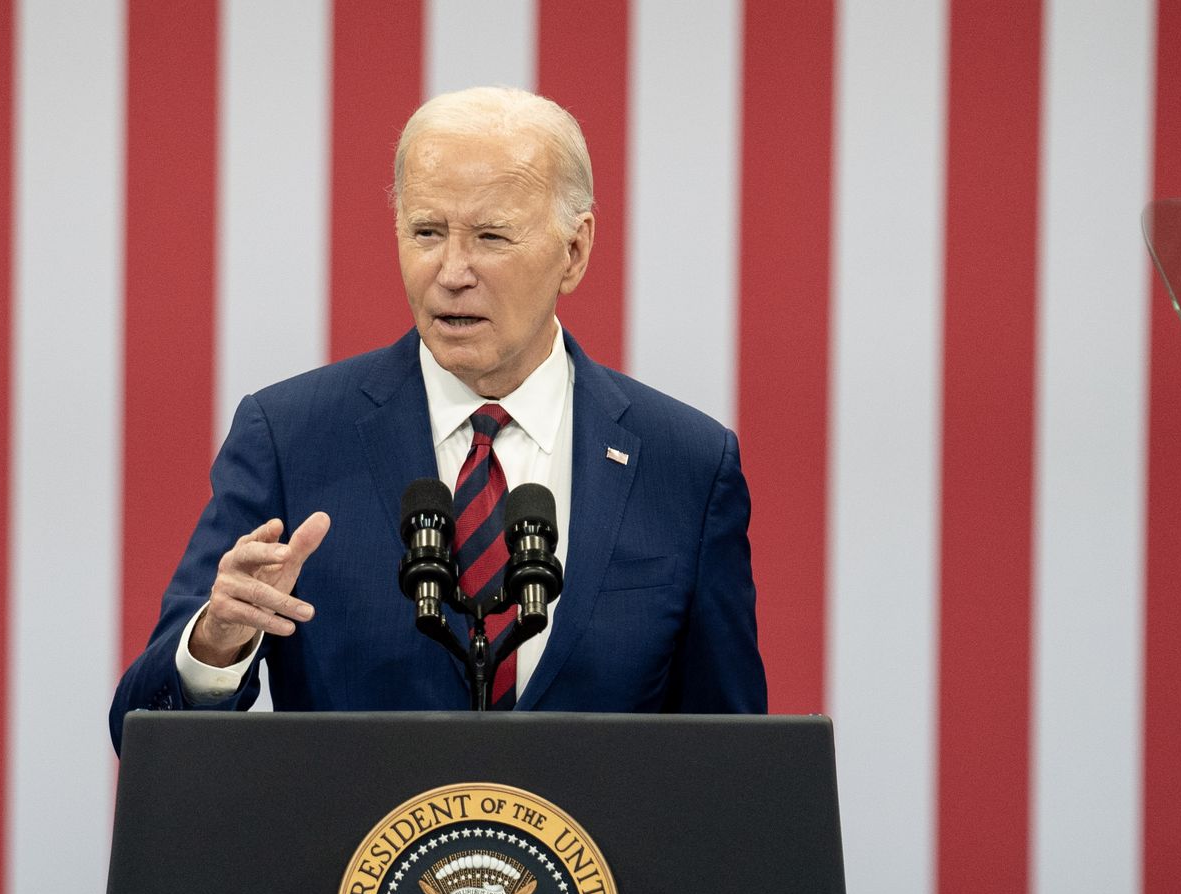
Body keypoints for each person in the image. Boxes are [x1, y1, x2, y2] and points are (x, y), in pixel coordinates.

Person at [108, 86, 765, 750]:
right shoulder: (291, 438)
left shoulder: (683, 464)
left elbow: (736, 768)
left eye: (490, 236)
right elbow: (142, 737)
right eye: (427, 232)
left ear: (575, 250)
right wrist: (215, 648)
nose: (452, 271)